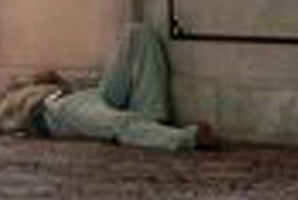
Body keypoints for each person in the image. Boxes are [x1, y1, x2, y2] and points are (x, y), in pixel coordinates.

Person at [38, 21, 220, 151]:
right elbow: (14, 112)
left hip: (83, 91)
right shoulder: (14, 101)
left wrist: (59, 81)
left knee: (138, 33)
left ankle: (152, 123)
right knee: (117, 122)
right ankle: (185, 138)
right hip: (54, 109)